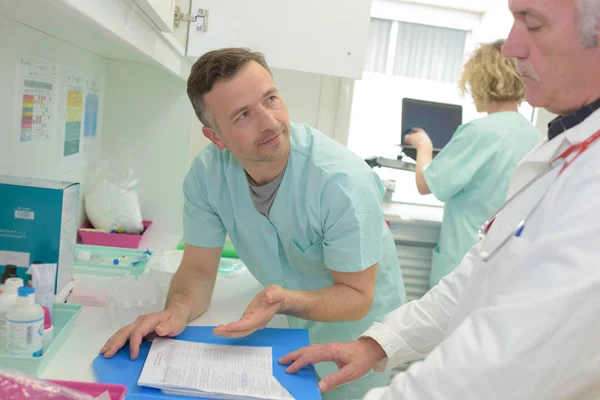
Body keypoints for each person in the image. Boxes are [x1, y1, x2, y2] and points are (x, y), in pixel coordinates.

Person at [280, 0, 600, 398]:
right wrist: (376, 344)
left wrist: (425, 149)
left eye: (532, 23)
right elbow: (477, 277)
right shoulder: (558, 146)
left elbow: (500, 364)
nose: (511, 47)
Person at [100, 48, 406, 399]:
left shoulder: (342, 183)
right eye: (243, 115)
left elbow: (357, 295)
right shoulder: (206, 175)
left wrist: (284, 300)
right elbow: (198, 270)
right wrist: (176, 311)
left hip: (355, 334)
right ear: (216, 137)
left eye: (270, 99)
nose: (269, 122)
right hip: (280, 327)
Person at [404, 39, 542, 287]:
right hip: (505, 264)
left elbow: (426, 185)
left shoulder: (478, 131)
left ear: (483, 80)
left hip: (464, 262)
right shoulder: (535, 136)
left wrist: (423, 146)